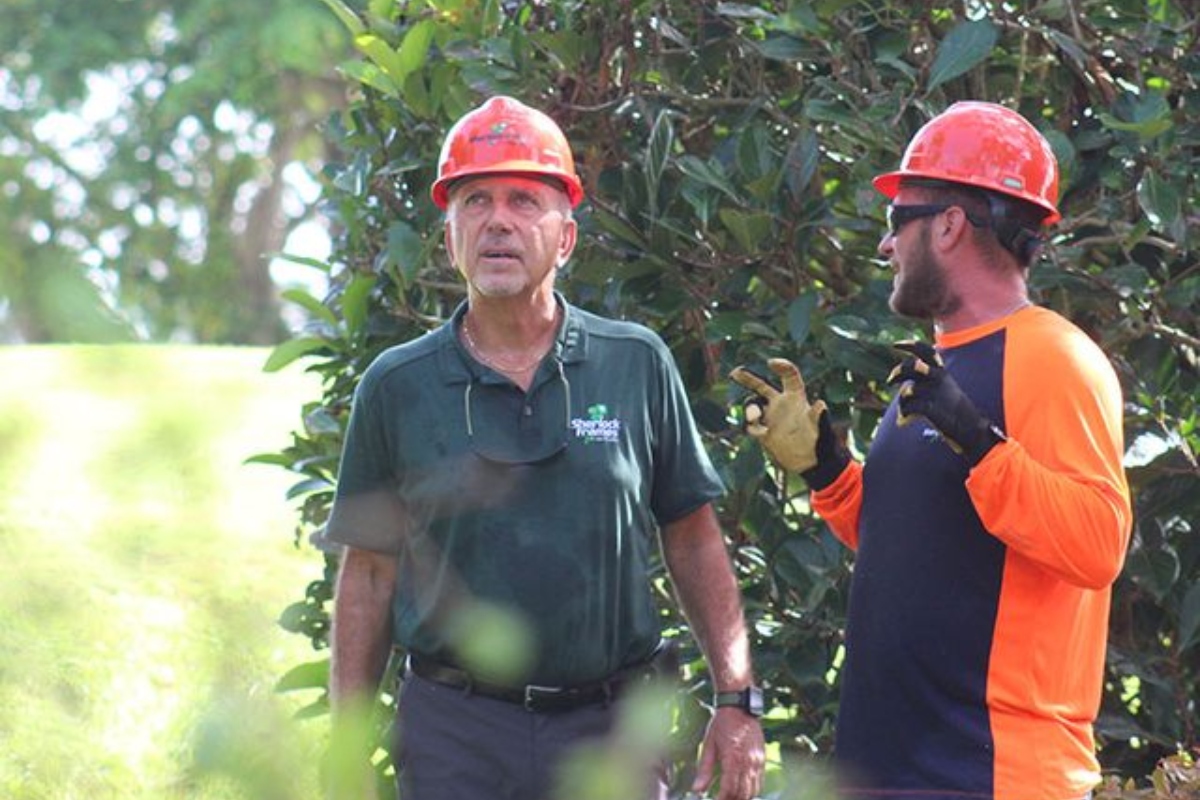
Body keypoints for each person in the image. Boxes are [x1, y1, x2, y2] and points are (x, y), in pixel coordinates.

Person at [326, 95, 765, 800]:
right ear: (449, 238)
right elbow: (370, 573)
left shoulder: (636, 363)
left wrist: (737, 699)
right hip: (452, 735)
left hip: (612, 728)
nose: (497, 220)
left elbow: (692, 537)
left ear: (565, 237)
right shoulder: (397, 385)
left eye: (525, 200)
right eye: (475, 201)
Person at [731, 101, 1132, 799]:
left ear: (948, 224)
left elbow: (1098, 544)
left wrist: (979, 444)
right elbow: (923, 544)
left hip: (993, 775)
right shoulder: (941, 371)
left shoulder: (1053, 357)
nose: (886, 246)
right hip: (895, 770)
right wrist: (828, 472)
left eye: (897, 221)